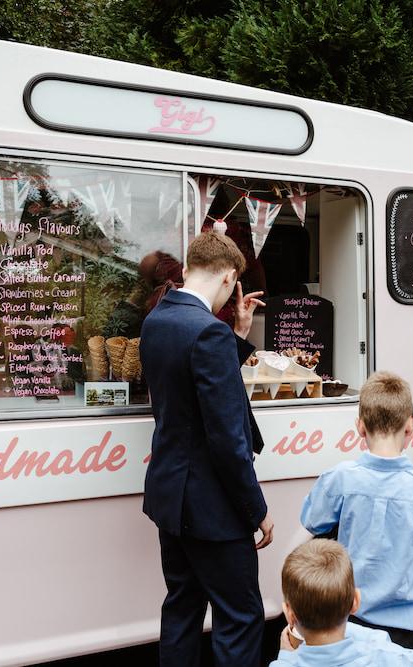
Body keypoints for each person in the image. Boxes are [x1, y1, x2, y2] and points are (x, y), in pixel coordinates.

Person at [140, 231, 272, 667]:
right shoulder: (207, 334)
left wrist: (235, 333)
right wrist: (257, 509)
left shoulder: (158, 320)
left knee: (182, 607)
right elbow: (228, 441)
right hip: (213, 506)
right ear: (230, 277)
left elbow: (191, 386)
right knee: (240, 616)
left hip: (170, 499)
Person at [300, 371, 413, 666]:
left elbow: (311, 520)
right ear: (411, 426)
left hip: (353, 619)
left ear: (360, 426)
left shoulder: (339, 479)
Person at [271, 540, 413, 667]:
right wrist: (373, 638)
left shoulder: (285, 663)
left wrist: (285, 658)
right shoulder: (387, 657)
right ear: (355, 601)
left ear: (289, 614)